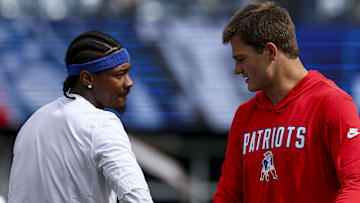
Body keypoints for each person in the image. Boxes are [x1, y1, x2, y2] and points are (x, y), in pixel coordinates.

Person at [213, 1, 360, 202]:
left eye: (241, 59)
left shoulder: (333, 103)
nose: (237, 70)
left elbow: (355, 183)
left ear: (271, 52)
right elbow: (228, 197)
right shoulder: (244, 116)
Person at [8, 31, 153, 203]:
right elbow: (137, 197)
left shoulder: (31, 124)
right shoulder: (102, 123)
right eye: (119, 75)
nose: (129, 82)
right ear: (87, 78)